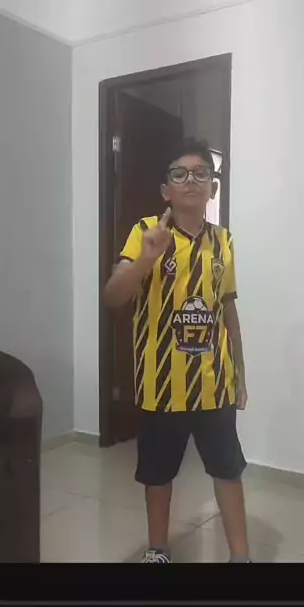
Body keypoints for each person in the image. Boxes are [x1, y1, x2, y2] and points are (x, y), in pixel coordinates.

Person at [104, 138, 251, 563]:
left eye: (201, 173)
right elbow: (113, 296)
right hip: (160, 386)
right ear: (166, 190)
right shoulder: (145, 232)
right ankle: (158, 550)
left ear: (212, 188)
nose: (191, 180)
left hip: (214, 384)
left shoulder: (223, 242)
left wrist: (240, 375)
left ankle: (241, 557)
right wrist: (146, 260)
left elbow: (228, 312)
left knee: (228, 470)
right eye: (179, 174)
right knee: (158, 475)